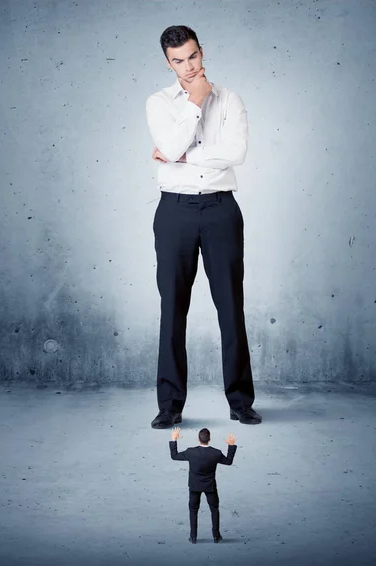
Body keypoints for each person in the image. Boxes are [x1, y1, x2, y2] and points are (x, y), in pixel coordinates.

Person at [146, 24, 262, 429]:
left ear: (202, 52)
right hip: (174, 212)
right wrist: (195, 102)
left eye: (192, 56)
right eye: (178, 61)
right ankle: (170, 404)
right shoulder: (159, 102)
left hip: (220, 210)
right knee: (172, 309)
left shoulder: (230, 99)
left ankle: (241, 401)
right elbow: (176, 145)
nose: (188, 66)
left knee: (231, 306)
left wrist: (182, 156)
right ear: (168, 63)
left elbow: (236, 153)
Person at [169, 426, 237, 543]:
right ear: (209, 439)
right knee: (214, 510)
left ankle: (193, 537)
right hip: (210, 487)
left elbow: (174, 456)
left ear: (198, 439)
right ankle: (216, 536)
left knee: (193, 511)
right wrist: (230, 446)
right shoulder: (215, 453)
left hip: (194, 487)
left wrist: (174, 440)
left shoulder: (191, 452)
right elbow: (229, 461)